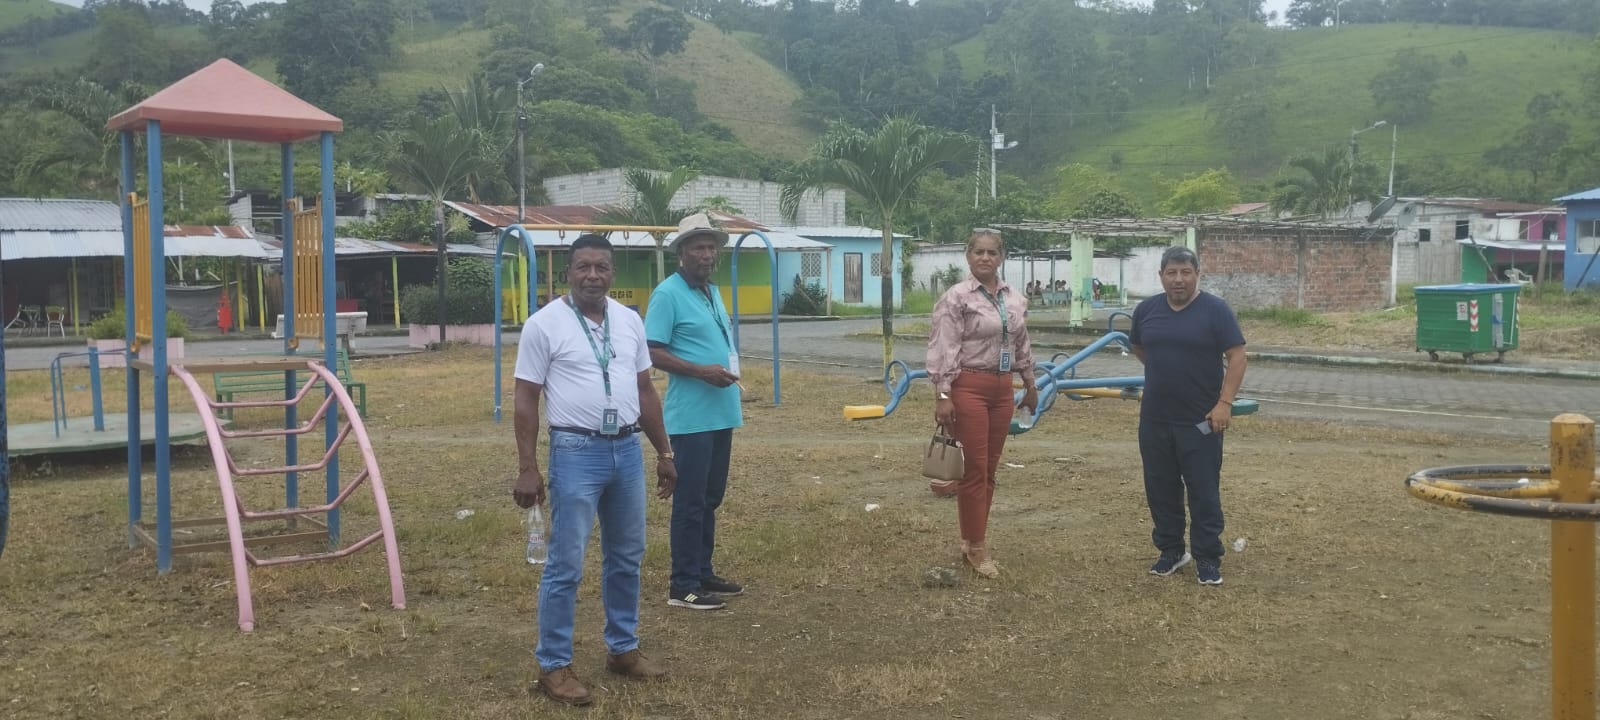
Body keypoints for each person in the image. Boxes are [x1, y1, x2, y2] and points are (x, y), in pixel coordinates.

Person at [512, 233, 678, 705]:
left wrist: (664, 454)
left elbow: (644, 390)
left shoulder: (629, 320)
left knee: (627, 556)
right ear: (568, 272)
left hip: (626, 450)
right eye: (583, 267)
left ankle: (623, 649)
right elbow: (526, 397)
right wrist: (528, 467)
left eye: (601, 267)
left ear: (612, 273)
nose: (592, 275)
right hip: (575, 452)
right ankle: (553, 665)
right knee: (566, 563)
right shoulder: (544, 325)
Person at [1129, 246, 1247, 587]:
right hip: (1155, 419)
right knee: (1160, 488)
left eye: (1185, 272)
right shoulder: (1146, 311)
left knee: (1203, 490)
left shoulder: (1215, 310)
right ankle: (1171, 551)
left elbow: (1237, 357)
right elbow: (1139, 346)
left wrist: (1224, 403)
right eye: (1172, 272)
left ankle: (1207, 557)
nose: (1178, 279)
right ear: (1161, 276)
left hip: (1201, 421)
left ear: (1197, 274)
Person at [645, 213, 745, 611]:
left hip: (721, 412)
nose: (706, 254)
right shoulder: (667, 294)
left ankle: (702, 571)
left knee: (710, 496)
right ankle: (682, 585)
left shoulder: (711, 291)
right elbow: (651, 350)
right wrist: (701, 371)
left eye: (711, 248)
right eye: (698, 247)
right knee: (689, 501)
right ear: (681, 253)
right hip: (691, 418)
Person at [926, 229, 1037, 578]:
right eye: (979, 252)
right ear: (968, 255)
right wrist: (943, 394)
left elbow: (1021, 342)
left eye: (992, 252)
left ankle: (973, 537)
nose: (985, 258)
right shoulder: (957, 298)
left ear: (1001, 257)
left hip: (1002, 389)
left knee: (989, 469)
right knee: (974, 469)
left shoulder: (1014, 298)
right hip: (969, 387)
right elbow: (944, 346)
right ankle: (976, 545)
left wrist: (1030, 383)